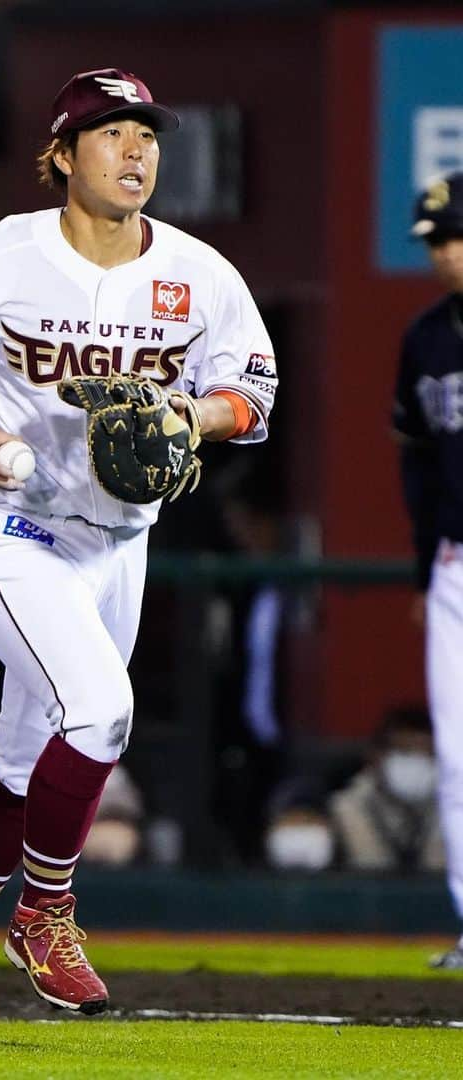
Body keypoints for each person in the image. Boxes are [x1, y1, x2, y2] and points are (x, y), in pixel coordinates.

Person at [0, 68, 277, 1040]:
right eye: (111, 133)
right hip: (10, 529)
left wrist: (194, 412)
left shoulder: (200, 273)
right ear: (62, 155)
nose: (137, 150)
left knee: (27, 761)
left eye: (146, 132)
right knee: (102, 710)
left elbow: (254, 396)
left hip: (118, 542)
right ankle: (45, 913)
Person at [391, 172, 463, 968]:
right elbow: (416, 465)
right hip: (452, 565)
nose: (445, 254)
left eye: (455, 237)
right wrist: (419, 573)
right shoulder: (427, 339)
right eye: (437, 242)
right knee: (457, 753)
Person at [327, 707, 444, 873]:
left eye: (426, 753)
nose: (417, 761)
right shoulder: (342, 807)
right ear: (375, 756)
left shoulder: (452, 806)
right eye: (405, 752)